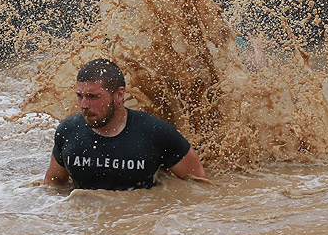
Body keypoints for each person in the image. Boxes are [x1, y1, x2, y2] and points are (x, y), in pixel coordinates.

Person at [43, 58, 207, 190]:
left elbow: (200, 186)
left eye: (93, 96)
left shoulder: (155, 132)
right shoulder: (69, 131)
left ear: (120, 95)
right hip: (87, 226)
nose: (84, 105)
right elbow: (53, 185)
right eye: (80, 95)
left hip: (139, 225)